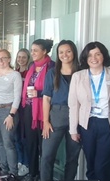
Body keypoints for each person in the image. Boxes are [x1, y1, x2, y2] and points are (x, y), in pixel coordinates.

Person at [69, 42, 110, 181]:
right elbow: (74, 105)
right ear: (85, 58)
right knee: (91, 165)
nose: (94, 58)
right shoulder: (78, 77)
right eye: (90, 55)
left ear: (103, 56)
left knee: (104, 166)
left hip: (109, 125)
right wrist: (73, 130)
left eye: (98, 54)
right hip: (87, 125)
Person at [40, 40, 81, 181]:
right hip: (56, 116)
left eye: (68, 51)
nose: (65, 55)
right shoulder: (52, 73)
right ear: (57, 55)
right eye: (61, 52)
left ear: (74, 52)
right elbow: (46, 99)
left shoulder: (82, 72)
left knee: (72, 157)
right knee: (47, 156)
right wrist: (45, 121)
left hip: (78, 117)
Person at [21, 39, 55, 180]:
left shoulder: (52, 67)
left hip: (45, 111)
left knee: (44, 147)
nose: (32, 53)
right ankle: (33, 172)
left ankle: (44, 175)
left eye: (36, 50)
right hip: (29, 110)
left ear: (45, 51)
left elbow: (56, 91)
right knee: (31, 143)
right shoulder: (32, 66)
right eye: (32, 50)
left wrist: (39, 94)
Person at [0, 49, 22, 181]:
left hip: (8, 111)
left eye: (4, 58)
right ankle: (3, 170)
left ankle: (13, 173)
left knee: (8, 143)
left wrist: (11, 115)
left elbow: (17, 97)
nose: (0, 61)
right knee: (0, 142)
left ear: (9, 59)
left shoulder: (15, 75)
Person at [14, 48, 32, 176]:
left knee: (24, 137)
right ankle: (20, 160)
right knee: (16, 136)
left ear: (28, 59)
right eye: (19, 57)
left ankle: (26, 163)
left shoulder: (30, 73)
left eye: (24, 57)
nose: (21, 59)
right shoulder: (14, 72)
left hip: (26, 108)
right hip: (15, 108)